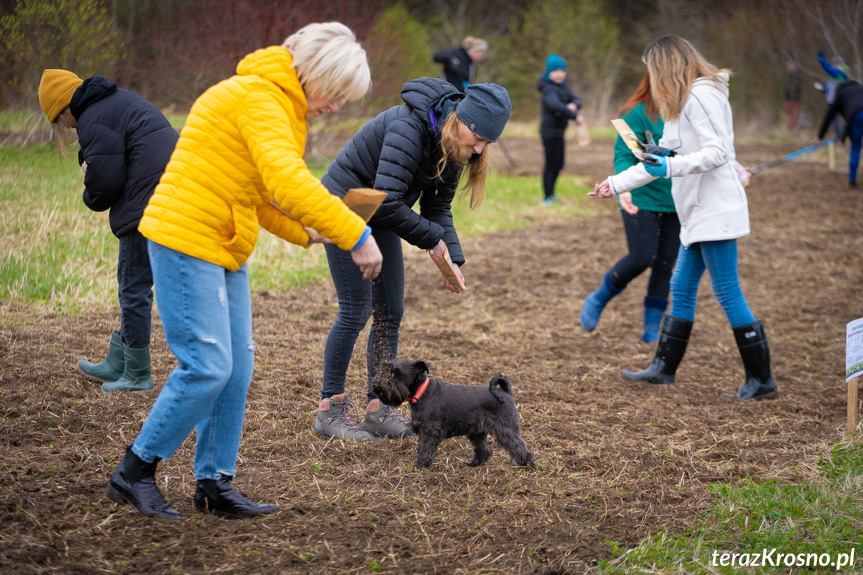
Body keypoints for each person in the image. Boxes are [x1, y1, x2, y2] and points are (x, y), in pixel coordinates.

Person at [105, 22, 383, 520]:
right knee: (208, 365)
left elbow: (259, 194)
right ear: (314, 73)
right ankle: (135, 469)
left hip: (224, 243)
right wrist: (355, 234)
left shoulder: (278, 106)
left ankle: (214, 482)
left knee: (236, 371)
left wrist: (306, 232)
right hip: (186, 238)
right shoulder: (260, 97)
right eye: (336, 93)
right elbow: (288, 180)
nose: (336, 107)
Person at [314, 77, 512, 439]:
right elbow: (388, 199)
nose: (480, 150)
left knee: (391, 310)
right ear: (462, 120)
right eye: (479, 138)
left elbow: (437, 207)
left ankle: (379, 409)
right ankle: (331, 407)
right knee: (356, 309)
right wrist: (431, 239)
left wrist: (452, 258)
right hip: (344, 207)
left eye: (487, 143)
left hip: (379, 211)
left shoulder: (453, 145)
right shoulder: (408, 127)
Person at [591, 34, 777, 401]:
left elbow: (716, 153)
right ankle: (664, 368)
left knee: (727, 290)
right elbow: (658, 165)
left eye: (651, 69)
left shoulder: (702, 95)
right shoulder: (681, 105)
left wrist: (670, 164)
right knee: (681, 285)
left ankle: (762, 379)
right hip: (696, 212)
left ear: (665, 68)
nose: (651, 78)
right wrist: (614, 184)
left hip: (715, 209)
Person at [38, 70, 178, 393]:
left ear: (63, 108)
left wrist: (88, 186)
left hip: (148, 198)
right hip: (168, 190)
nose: (65, 127)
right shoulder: (109, 103)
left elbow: (105, 184)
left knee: (133, 285)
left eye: (59, 120)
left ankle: (137, 373)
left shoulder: (91, 118)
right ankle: (120, 360)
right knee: (132, 280)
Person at [580, 73, 679, 343]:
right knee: (642, 256)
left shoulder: (687, 115)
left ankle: (651, 327)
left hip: (678, 202)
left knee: (666, 263)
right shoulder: (638, 114)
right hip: (641, 197)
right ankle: (600, 296)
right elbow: (624, 154)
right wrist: (624, 187)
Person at [537, 54, 583, 205]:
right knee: (551, 164)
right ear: (549, 72)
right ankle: (547, 196)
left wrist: (573, 105)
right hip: (549, 132)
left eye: (562, 71)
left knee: (559, 164)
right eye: (556, 71)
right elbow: (555, 105)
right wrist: (574, 115)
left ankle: (552, 194)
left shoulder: (563, 86)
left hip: (559, 131)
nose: (560, 74)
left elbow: (576, 99)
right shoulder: (548, 88)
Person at [814, 61, 863, 188]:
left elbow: (830, 116)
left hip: (856, 117)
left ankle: (853, 181)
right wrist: (843, 135)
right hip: (855, 116)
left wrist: (820, 136)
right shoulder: (859, 87)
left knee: (856, 147)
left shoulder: (840, 93)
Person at [782, 60, 801, 132]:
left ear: (794, 66)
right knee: (790, 116)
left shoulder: (796, 76)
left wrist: (791, 98)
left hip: (792, 100)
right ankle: (790, 131)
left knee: (792, 116)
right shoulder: (791, 75)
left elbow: (794, 88)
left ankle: (792, 131)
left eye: (789, 66)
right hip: (789, 99)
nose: (788, 67)